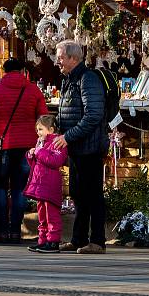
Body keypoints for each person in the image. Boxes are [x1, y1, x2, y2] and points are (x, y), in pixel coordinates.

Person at [0, 58, 48, 243]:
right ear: (21, 71)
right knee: (20, 189)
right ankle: (16, 232)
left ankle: (2, 230)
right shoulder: (33, 89)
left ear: (4, 70)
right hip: (27, 146)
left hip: (2, 146)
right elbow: (43, 119)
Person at [53, 40, 109, 254]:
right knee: (78, 193)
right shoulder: (69, 80)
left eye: (61, 57)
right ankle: (78, 239)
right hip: (77, 147)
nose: (58, 61)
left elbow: (93, 115)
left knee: (93, 194)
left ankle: (97, 241)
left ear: (74, 58)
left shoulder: (88, 79)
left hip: (90, 147)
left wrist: (68, 136)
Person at [24, 115, 68, 253]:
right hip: (40, 185)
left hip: (50, 185)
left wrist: (39, 152)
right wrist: (31, 155)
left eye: (41, 129)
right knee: (42, 214)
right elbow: (37, 164)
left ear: (51, 129)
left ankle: (53, 241)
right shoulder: (40, 143)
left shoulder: (57, 143)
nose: (38, 133)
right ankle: (42, 240)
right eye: (37, 130)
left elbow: (55, 161)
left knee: (52, 215)